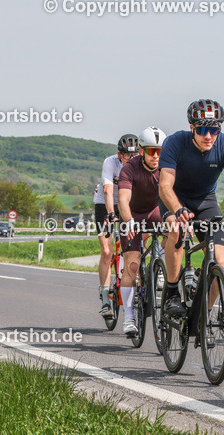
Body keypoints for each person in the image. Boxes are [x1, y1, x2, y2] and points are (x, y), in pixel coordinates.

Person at [158, 99, 224, 316]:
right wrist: (178, 209)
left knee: (220, 262)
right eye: (202, 130)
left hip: (205, 201)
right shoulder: (175, 142)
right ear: (192, 128)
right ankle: (172, 293)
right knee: (176, 230)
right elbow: (164, 186)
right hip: (175, 198)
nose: (208, 136)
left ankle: (202, 315)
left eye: (214, 130)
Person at [116, 125, 167, 338]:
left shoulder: (167, 167)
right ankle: (129, 318)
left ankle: (161, 262)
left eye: (160, 151)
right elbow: (123, 200)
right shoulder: (129, 169)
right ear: (141, 151)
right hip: (131, 215)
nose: (156, 156)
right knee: (132, 265)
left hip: (154, 211)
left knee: (173, 230)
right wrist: (128, 221)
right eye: (151, 151)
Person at [94, 134, 139, 320]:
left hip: (127, 204)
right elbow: (107, 190)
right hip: (105, 204)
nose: (131, 158)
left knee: (135, 246)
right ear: (119, 155)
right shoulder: (110, 162)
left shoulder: (140, 163)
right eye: (127, 155)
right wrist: (111, 213)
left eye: (135, 155)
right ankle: (105, 299)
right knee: (107, 252)